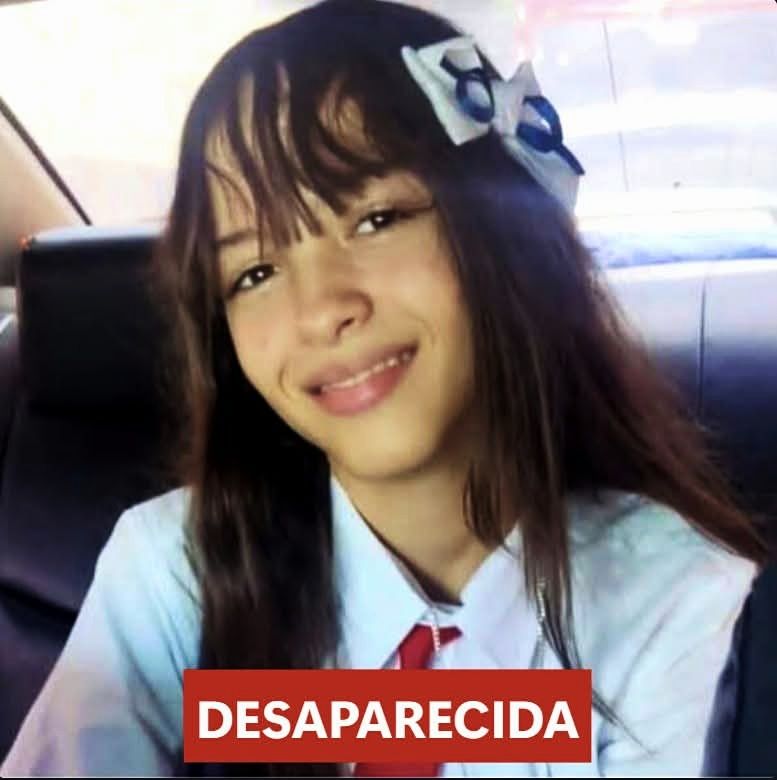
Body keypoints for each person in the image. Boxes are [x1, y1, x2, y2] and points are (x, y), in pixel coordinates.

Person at [1, 0, 765, 776]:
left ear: (505, 229)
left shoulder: (680, 611)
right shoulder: (176, 574)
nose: (321, 309)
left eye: (375, 220)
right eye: (254, 272)